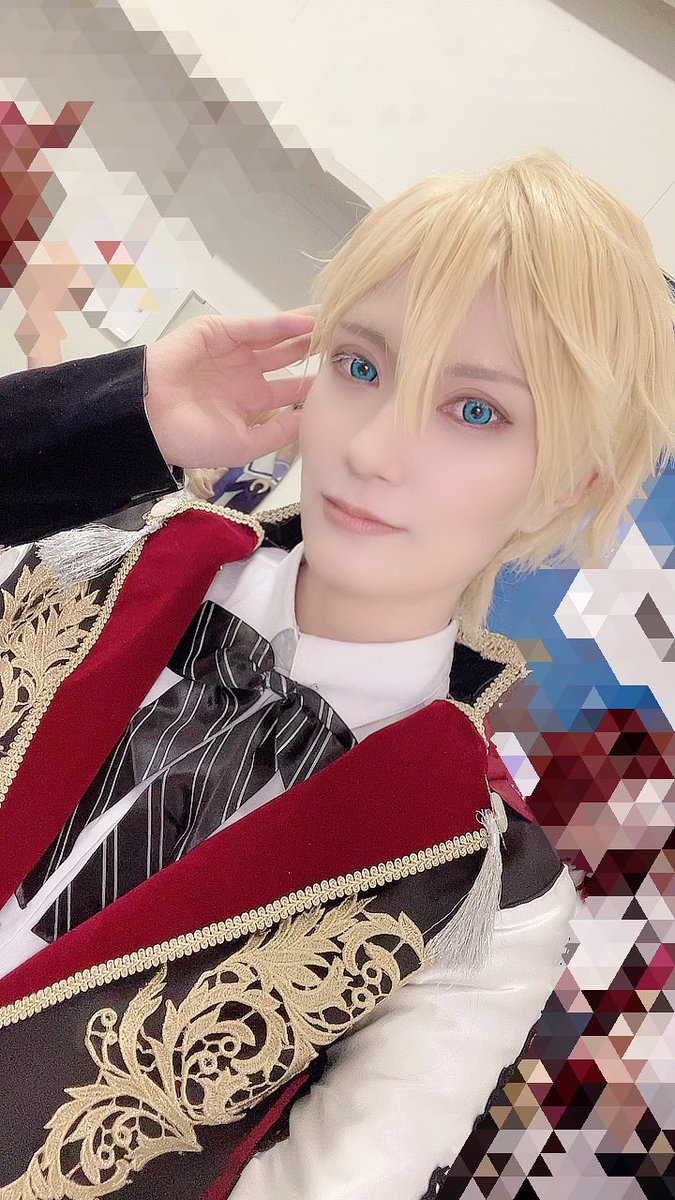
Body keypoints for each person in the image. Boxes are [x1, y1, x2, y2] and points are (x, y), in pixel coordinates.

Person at [0, 147, 673, 1200]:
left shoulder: (486, 891)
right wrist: (117, 413)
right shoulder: (84, 557)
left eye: (476, 411)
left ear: (563, 486)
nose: (375, 449)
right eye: (360, 367)